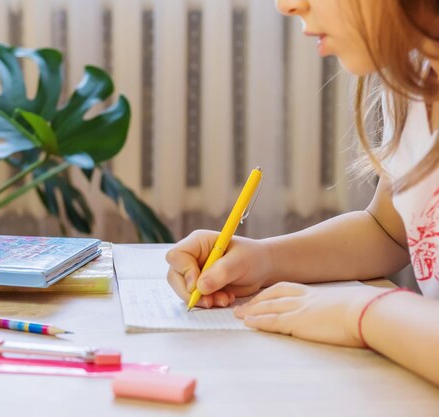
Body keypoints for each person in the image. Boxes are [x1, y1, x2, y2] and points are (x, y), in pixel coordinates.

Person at [166, 0, 439, 386]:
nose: (287, 5)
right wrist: (263, 259)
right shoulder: (413, 87)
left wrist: (361, 313)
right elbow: (388, 231)